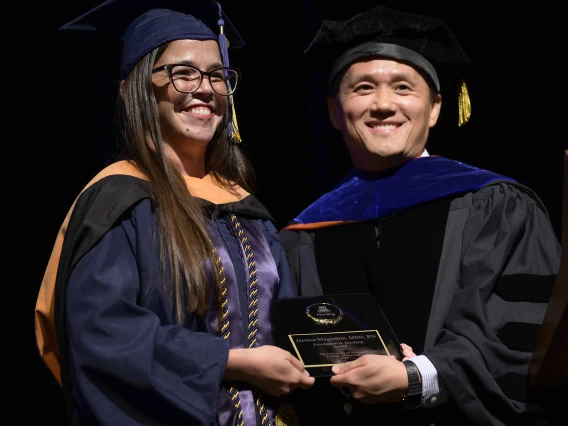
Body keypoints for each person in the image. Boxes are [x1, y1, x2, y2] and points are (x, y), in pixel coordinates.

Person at [279, 4, 562, 426]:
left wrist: (419, 376)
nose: (383, 104)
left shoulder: (497, 205)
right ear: (335, 111)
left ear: (434, 108)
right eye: (362, 88)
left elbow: (526, 337)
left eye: (403, 87)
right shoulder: (305, 233)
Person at [34, 0, 315, 425]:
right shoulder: (119, 201)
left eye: (218, 75)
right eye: (183, 74)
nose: (205, 89)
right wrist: (231, 362)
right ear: (135, 89)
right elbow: (103, 337)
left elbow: (287, 322)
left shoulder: (245, 207)